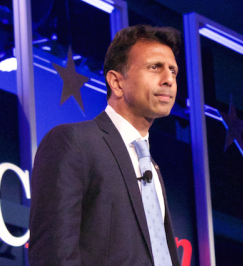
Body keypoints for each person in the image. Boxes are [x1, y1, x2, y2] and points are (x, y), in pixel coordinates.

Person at [28, 25, 181, 266]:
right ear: (117, 82)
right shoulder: (73, 143)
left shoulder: (151, 166)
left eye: (173, 71)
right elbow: (53, 253)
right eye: (155, 68)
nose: (169, 80)